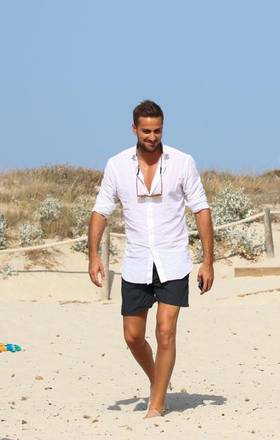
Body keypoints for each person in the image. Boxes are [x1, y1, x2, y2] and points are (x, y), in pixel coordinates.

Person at [87, 100, 214, 418]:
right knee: (132, 336)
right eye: (146, 131)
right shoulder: (116, 165)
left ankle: (156, 405)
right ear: (134, 129)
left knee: (165, 331)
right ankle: (159, 379)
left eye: (157, 130)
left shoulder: (182, 162)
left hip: (174, 259)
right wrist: (93, 255)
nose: (152, 136)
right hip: (136, 261)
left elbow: (201, 209)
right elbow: (101, 210)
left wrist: (208, 261)